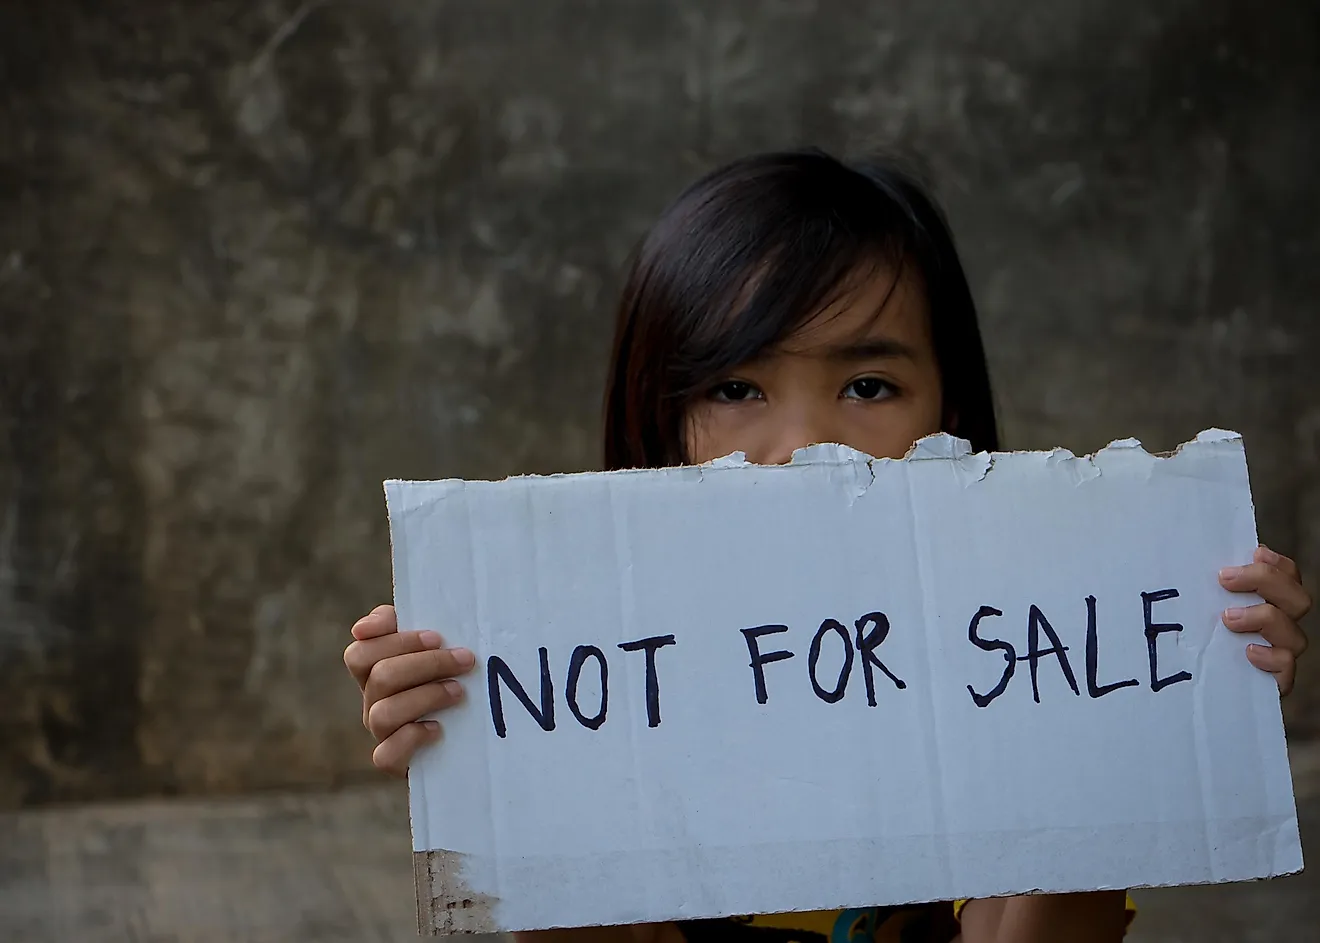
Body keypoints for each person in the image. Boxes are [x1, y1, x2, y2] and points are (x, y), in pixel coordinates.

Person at [342, 150, 1312, 943]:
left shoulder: (1022, 661)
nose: (803, 448)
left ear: (952, 412)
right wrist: (483, 757)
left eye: (868, 388)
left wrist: (1171, 705)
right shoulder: (608, 672)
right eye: (734, 390)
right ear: (657, 421)